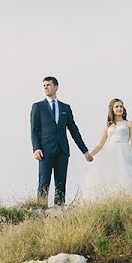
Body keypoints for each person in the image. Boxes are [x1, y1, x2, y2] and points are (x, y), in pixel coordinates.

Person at [29, 76, 93, 206]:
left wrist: (85, 151)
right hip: (45, 151)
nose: (46, 87)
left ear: (56, 87)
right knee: (44, 181)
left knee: (61, 182)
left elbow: (74, 130)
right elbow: (34, 130)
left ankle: (59, 210)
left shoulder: (65, 108)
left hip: (62, 151)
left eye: (48, 85)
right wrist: (36, 148)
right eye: (44, 85)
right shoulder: (38, 107)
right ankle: (40, 210)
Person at [79, 98, 132, 201]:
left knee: (126, 176)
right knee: (111, 177)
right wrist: (91, 154)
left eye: (121, 106)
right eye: (117, 106)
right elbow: (101, 144)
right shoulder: (108, 127)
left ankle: (128, 200)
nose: (119, 108)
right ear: (112, 109)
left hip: (124, 151)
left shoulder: (129, 124)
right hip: (111, 153)